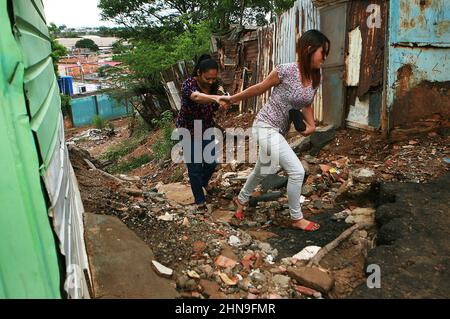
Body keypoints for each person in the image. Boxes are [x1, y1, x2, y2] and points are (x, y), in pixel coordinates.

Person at [220, 30, 330, 231]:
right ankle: (296, 217)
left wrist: (312, 125)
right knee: (297, 171)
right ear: (309, 50)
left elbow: (306, 104)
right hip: (264, 126)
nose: (325, 57)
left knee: (262, 169)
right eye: (323, 52)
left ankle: (241, 199)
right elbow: (259, 88)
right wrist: (232, 99)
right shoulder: (285, 71)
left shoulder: (316, 76)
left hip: (279, 131)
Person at [176, 54, 228, 212]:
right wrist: (216, 98)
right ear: (199, 73)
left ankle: (203, 183)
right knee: (195, 168)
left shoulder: (215, 86)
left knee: (211, 162)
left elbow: (217, 105)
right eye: (208, 78)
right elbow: (196, 97)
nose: (211, 81)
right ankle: (200, 201)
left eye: (213, 78)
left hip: (206, 128)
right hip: (188, 129)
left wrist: (223, 101)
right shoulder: (189, 84)